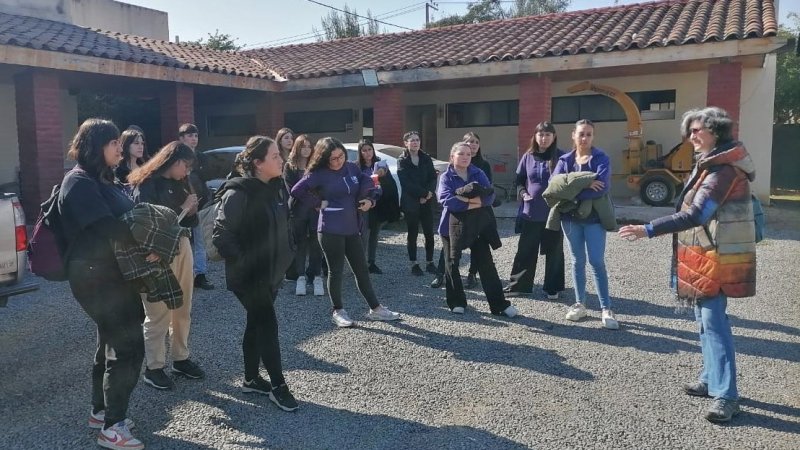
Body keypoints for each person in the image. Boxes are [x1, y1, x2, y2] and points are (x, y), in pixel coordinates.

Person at [619, 107, 756, 423]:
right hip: (703, 254)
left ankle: (727, 396)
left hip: (717, 256)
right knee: (704, 321)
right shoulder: (709, 164)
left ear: (716, 131)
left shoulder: (723, 170)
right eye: (690, 130)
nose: (692, 136)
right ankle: (710, 379)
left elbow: (696, 214)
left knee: (715, 324)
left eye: (698, 130)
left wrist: (648, 228)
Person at [58, 118, 145, 449]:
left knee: (109, 342)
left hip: (110, 273)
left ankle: (101, 411)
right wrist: (147, 242)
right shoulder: (78, 183)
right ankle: (113, 427)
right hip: (95, 275)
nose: (119, 148)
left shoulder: (101, 180)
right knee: (128, 347)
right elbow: (110, 228)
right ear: (95, 146)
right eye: (113, 143)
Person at [213, 136, 299, 412]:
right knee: (267, 325)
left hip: (271, 273)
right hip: (250, 276)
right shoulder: (237, 192)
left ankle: (250, 378)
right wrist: (247, 263)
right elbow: (222, 236)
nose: (281, 159)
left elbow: (284, 226)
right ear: (258, 163)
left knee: (255, 323)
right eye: (274, 156)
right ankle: (278, 385)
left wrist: (290, 254)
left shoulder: (276, 187)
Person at [291, 137, 401, 328]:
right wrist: (318, 204)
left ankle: (376, 309)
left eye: (341, 156)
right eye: (333, 158)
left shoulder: (352, 167)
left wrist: (370, 200)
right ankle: (338, 310)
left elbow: (368, 183)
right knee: (336, 271)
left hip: (352, 228)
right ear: (325, 158)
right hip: (329, 229)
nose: (338, 161)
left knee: (361, 269)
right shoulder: (319, 173)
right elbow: (297, 190)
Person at [129, 141, 206, 390]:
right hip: (156, 254)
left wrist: (192, 210)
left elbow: (188, 222)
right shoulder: (146, 185)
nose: (187, 171)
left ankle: (180, 358)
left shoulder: (181, 183)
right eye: (185, 165)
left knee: (183, 306)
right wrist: (183, 208)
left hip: (182, 245)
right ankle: (154, 367)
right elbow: (143, 223)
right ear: (172, 161)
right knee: (157, 312)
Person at [437, 141, 518, 317]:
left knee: (486, 263)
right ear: (452, 157)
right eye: (461, 154)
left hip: (477, 225)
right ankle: (457, 301)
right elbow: (447, 200)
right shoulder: (446, 177)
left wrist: (467, 201)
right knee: (452, 264)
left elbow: (490, 196)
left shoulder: (477, 172)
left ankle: (499, 305)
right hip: (451, 227)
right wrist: (475, 203)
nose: (465, 157)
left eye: (468, 154)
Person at [552, 119, 618, 329]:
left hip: (594, 219)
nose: (585, 138)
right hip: (570, 219)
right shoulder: (564, 159)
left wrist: (573, 185)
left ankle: (605, 308)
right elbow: (555, 186)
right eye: (581, 133)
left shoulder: (601, 158)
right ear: (573, 135)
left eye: (589, 134)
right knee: (576, 261)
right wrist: (587, 181)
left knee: (597, 262)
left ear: (593, 136)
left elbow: (602, 186)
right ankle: (579, 304)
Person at [504, 122, 565, 298]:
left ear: (553, 137)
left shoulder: (561, 157)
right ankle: (519, 285)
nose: (543, 138)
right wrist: (523, 194)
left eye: (547, 135)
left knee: (554, 251)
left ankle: (553, 287)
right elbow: (519, 180)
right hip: (531, 212)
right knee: (525, 250)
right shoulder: (528, 156)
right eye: (540, 134)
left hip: (554, 213)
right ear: (535, 136)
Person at [284, 134, 324, 296]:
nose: (306, 149)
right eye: (303, 146)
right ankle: (300, 276)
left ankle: (315, 275)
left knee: (316, 243)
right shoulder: (290, 166)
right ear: (297, 148)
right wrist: (314, 202)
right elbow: (293, 190)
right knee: (300, 244)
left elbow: (321, 187)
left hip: (315, 212)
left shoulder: (316, 166)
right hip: (298, 211)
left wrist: (317, 203)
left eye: (309, 146)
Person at [178, 123, 215, 291]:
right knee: (181, 242)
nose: (194, 139)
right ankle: (181, 276)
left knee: (200, 241)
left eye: (196, 136)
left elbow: (206, 177)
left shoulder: (201, 157)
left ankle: (200, 275)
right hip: (180, 206)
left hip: (200, 204)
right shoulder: (175, 157)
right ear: (181, 138)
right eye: (190, 135)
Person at [397, 131, 438, 276]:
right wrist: (422, 194)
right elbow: (406, 183)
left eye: (417, 140)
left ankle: (430, 262)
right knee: (412, 233)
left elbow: (433, 177)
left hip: (427, 201)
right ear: (406, 143)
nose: (415, 142)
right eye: (412, 140)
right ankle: (414, 263)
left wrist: (428, 194)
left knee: (429, 233)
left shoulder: (426, 158)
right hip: (411, 202)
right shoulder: (402, 160)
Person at [357, 139, 400, 274]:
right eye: (364, 150)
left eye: (369, 149)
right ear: (360, 152)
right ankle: (361, 263)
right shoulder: (357, 167)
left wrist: (383, 176)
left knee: (374, 234)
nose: (367, 153)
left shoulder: (381, 164)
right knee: (363, 235)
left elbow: (390, 185)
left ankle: (372, 262)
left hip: (378, 204)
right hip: (363, 204)